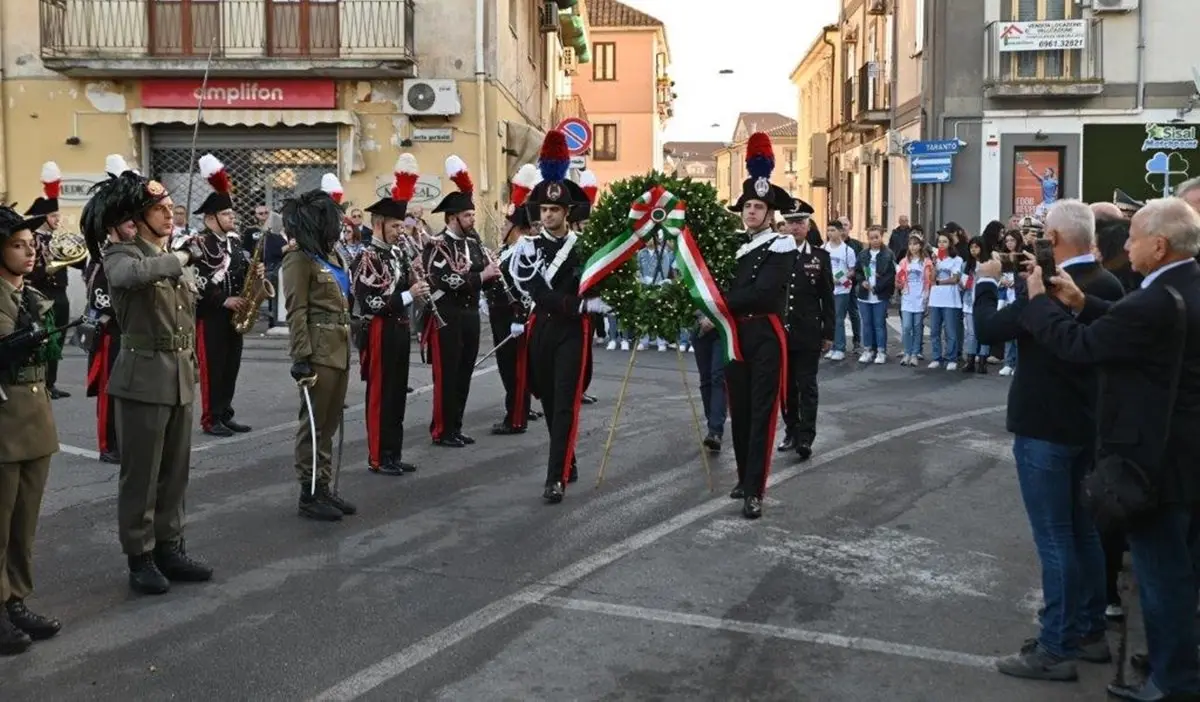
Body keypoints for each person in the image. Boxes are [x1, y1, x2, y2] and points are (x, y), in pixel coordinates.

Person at [1020, 197, 1200, 701]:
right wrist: (1083, 303)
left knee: (1161, 577)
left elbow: (1085, 348)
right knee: (1176, 573)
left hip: (1152, 460)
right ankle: (1171, 662)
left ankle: (1173, 682)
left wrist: (1039, 304)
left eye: (1136, 237)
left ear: (1160, 246)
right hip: (1182, 453)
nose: (1126, 246)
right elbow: (1130, 325)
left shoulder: (1154, 298)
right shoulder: (1179, 287)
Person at [973, 199, 1124, 682]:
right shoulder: (1107, 284)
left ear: (1054, 242)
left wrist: (985, 279)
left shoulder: (1053, 289)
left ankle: (1056, 646)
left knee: (1055, 537)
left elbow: (988, 329)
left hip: (1046, 428)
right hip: (1085, 425)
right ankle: (1088, 630)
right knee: (1081, 532)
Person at [97, 155, 212, 595]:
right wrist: (181, 255)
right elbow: (132, 277)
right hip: (143, 376)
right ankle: (139, 555)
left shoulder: (168, 256)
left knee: (175, 471)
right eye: (160, 208)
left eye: (169, 207)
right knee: (141, 475)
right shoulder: (122, 254)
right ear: (138, 216)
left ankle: (170, 545)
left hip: (179, 373)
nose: (170, 214)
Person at [508, 130, 605, 503]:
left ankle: (556, 477)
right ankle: (568, 457)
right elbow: (538, 294)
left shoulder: (584, 248)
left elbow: (593, 283)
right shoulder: (527, 248)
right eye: (544, 210)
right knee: (547, 398)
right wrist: (578, 304)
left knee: (565, 400)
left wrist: (599, 300)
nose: (547, 216)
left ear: (567, 213)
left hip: (573, 334)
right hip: (543, 329)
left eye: (554, 210)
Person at [722, 132, 798, 520]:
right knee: (740, 408)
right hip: (735, 335)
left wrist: (718, 304)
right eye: (748, 206)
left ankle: (756, 489)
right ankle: (742, 476)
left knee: (763, 411)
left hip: (765, 334)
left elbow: (762, 293)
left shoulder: (780, 246)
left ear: (771, 214)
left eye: (758, 207)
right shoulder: (732, 245)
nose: (751, 212)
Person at [0, 205, 63, 655]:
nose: (30, 252)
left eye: (32, 244)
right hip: (3, 420)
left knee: (24, 524)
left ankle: (16, 599)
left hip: (35, 415)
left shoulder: (33, 296)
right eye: (18, 245)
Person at [281, 174, 357, 522]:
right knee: (313, 425)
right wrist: (301, 356)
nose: (339, 228)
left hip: (339, 349)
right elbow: (296, 310)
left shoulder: (333, 257)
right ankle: (308, 492)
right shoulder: (299, 260)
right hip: (318, 351)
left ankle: (323, 486)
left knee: (329, 423)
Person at [352, 155, 428, 474]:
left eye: (402, 225)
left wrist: (416, 280)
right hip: (380, 329)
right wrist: (409, 294)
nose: (401, 231)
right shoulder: (365, 257)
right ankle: (377, 457)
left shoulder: (397, 253)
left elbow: (402, 286)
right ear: (378, 224)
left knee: (398, 394)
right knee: (382, 395)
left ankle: (393, 453)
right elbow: (371, 303)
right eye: (396, 226)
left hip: (399, 329)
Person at [423, 155, 501, 447]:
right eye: (467, 216)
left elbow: (479, 269)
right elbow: (446, 280)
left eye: (472, 215)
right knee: (448, 375)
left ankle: (455, 426)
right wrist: (482, 277)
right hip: (448, 316)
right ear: (452, 218)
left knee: (465, 373)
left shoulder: (472, 243)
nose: (472, 220)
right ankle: (441, 430)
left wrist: (492, 270)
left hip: (469, 316)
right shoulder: (437, 244)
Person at [191, 154, 256, 437]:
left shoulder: (234, 241)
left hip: (235, 313)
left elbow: (240, 274)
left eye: (232, 214)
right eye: (228, 214)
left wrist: (256, 279)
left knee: (231, 366)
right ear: (211, 218)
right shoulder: (197, 244)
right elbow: (196, 279)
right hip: (211, 314)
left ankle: (225, 411)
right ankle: (210, 417)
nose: (233, 218)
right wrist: (222, 300)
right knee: (213, 368)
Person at [80, 161, 137, 466]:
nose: (134, 227)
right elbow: (101, 301)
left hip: (128, 334)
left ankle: (123, 439)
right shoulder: (102, 260)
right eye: (128, 222)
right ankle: (107, 444)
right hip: (109, 334)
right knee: (109, 391)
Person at [777, 201, 833, 460]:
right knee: (786, 387)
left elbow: (828, 298)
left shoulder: (820, 257)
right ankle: (791, 430)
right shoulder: (776, 254)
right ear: (784, 225)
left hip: (808, 332)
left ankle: (806, 437)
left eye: (800, 222)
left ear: (808, 225)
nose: (795, 227)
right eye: (790, 222)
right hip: (780, 333)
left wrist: (829, 333)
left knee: (807, 385)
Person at [488, 164, 540, 435]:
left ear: (516, 228)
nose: (502, 227)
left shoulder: (522, 250)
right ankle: (518, 411)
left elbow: (526, 287)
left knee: (514, 370)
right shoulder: (507, 251)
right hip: (500, 317)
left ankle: (516, 418)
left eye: (507, 224)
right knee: (509, 369)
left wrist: (520, 317)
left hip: (513, 319)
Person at [24, 162, 71, 399]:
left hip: (61, 294)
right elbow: (31, 272)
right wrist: (53, 266)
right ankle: (42, 382)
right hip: (42, 295)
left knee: (59, 340)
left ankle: (51, 383)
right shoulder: (31, 239)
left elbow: (79, 263)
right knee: (45, 340)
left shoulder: (58, 238)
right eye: (53, 215)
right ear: (43, 216)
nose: (57, 219)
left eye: (58, 214)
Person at [852, 224, 896, 364]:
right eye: (871, 238)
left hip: (880, 295)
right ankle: (868, 349)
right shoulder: (863, 254)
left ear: (881, 237)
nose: (874, 240)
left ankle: (881, 351)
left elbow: (890, 275)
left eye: (877, 237)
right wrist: (862, 281)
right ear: (868, 239)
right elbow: (858, 271)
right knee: (867, 323)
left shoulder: (888, 254)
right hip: (864, 295)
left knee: (879, 324)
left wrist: (877, 287)